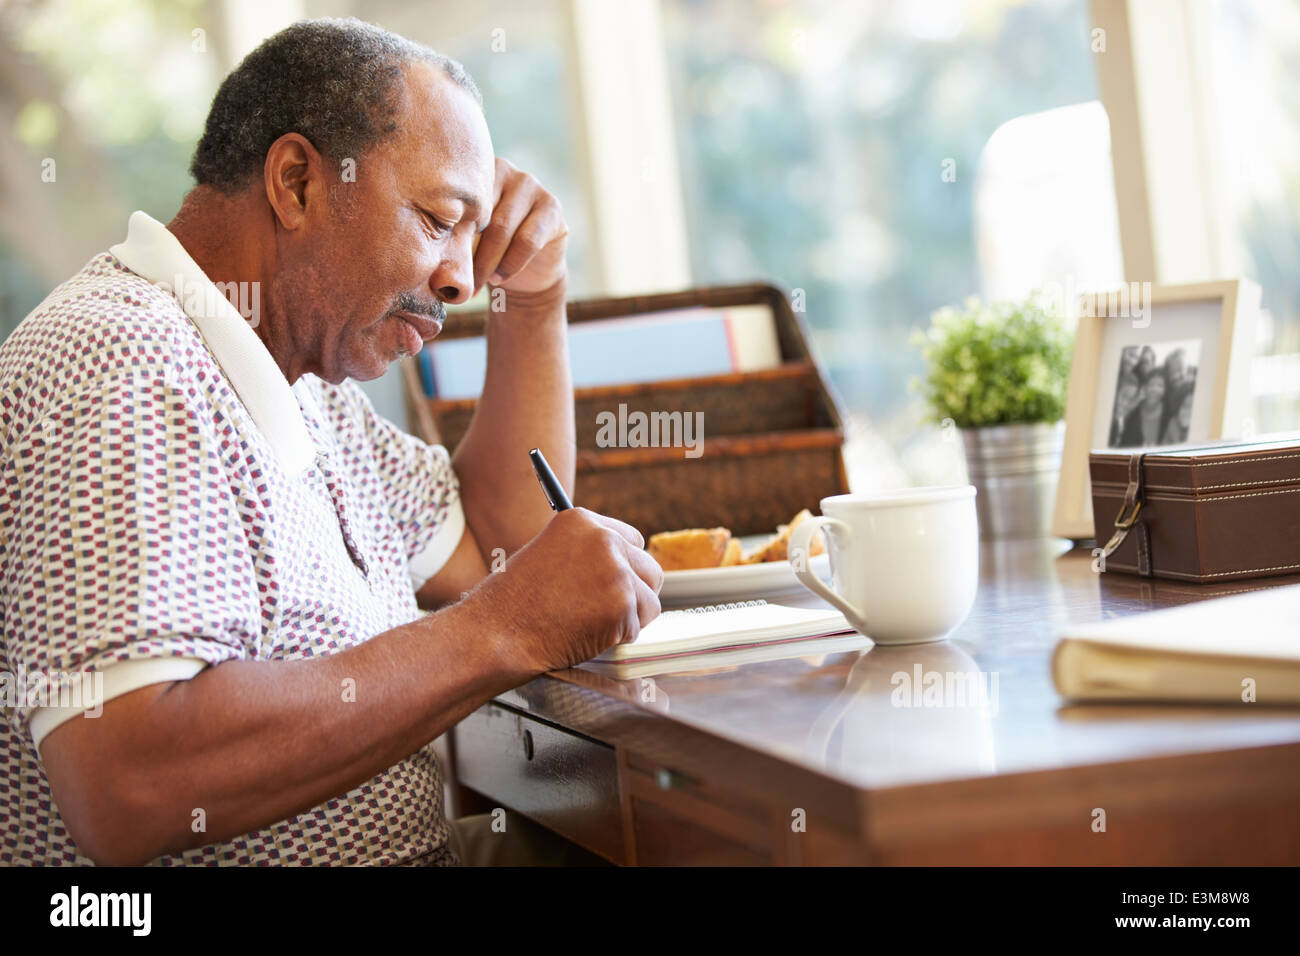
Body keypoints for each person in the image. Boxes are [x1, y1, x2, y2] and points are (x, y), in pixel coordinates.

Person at [0, 18, 662, 867]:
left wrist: (533, 297)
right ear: (297, 183)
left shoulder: (301, 386)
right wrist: (504, 630)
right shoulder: (124, 363)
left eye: (474, 234)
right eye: (435, 219)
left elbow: (501, 546)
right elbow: (129, 783)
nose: (462, 280)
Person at [1120, 371, 1167, 446]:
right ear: (1144, 387)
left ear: (1165, 389)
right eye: (1151, 384)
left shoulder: (1168, 413)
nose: (1155, 389)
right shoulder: (1134, 410)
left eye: (1160, 385)